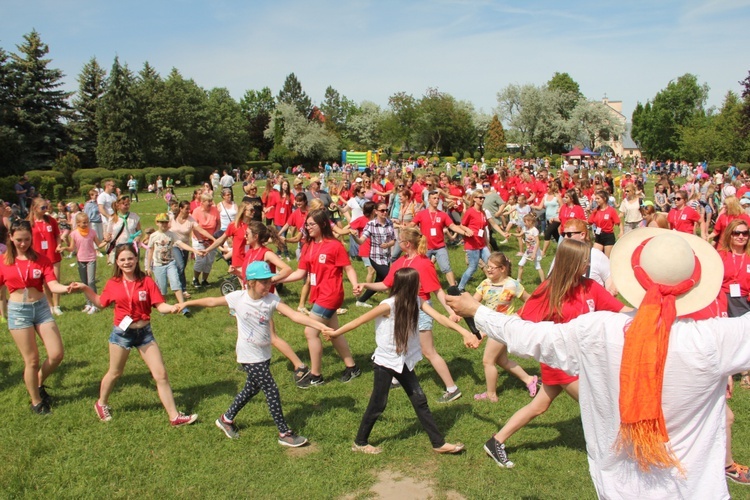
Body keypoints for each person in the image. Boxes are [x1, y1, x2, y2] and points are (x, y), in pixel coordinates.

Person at [446, 228, 748, 499]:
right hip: (694, 488)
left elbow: (529, 335)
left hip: (619, 484)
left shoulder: (597, 328)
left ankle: (497, 439)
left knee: (572, 405)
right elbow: (530, 321)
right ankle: (498, 439)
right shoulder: (715, 339)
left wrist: (478, 311)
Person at [480, 238, 627, 469]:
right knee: (602, 404)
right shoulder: (550, 290)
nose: (588, 264)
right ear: (571, 262)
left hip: (579, 362)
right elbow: (519, 320)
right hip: (558, 362)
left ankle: (495, 441)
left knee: (539, 406)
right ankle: (620, 454)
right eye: (584, 260)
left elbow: (621, 311)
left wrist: (648, 310)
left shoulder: (590, 286)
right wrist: (483, 332)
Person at [324, 267, 478, 455]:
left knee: (419, 399)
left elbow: (440, 318)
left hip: (403, 360)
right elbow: (359, 321)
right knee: (378, 403)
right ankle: (360, 442)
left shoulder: (417, 301)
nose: (421, 284)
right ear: (410, 285)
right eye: (418, 281)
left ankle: (438, 443)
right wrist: (335, 333)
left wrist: (465, 332)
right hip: (385, 362)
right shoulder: (388, 305)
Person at [174, 261, 320, 446]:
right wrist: (188, 302)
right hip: (248, 355)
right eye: (263, 282)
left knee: (252, 388)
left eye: (269, 281)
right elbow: (212, 301)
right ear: (250, 282)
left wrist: (320, 325)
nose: (268, 286)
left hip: (264, 354)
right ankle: (284, 433)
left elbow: (294, 315)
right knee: (271, 390)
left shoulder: (270, 300)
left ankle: (226, 419)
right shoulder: (238, 298)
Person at [71, 244, 197, 427]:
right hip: (122, 334)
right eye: (122, 259)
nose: (127, 262)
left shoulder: (146, 281)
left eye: (130, 258)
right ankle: (101, 403)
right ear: (117, 262)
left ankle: (174, 416)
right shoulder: (113, 283)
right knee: (115, 372)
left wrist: (172, 308)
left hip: (144, 334)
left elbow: (160, 305)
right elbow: (100, 302)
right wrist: (84, 288)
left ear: (136, 259)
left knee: (160, 374)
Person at [359, 227, 467, 403]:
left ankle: (452, 388)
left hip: (421, 309)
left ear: (407, 244)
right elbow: (386, 284)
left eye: (399, 241)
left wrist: (450, 312)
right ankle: (396, 378)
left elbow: (436, 290)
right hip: (402, 310)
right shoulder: (400, 262)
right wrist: (365, 285)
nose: (397, 243)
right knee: (401, 343)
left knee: (428, 351)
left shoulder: (424, 263)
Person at [281, 209, 362, 387]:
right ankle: (352, 367)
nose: (307, 228)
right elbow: (300, 272)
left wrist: (355, 285)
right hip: (318, 294)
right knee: (333, 333)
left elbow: (348, 268)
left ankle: (316, 376)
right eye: (306, 225)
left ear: (323, 224)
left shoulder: (334, 246)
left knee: (310, 332)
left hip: (330, 294)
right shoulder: (308, 246)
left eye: (311, 224)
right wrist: (275, 280)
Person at [0, 220, 71, 414]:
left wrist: (66, 288)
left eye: (27, 239)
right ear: (11, 238)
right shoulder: (3, 261)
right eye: (19, 240)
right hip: (18, 311)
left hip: (40, 308)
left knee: (56, 354)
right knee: (31, 360)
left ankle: (37, 381)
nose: (23, 244)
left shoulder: (41, 259)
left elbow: (52, 285)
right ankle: (36, 401)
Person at [472, 252, 536, 401]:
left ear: (502, 269)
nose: (488, 270)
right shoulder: (485, 283)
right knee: (501, 361)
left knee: (488, 361)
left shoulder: (512, 285)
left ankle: (491, 395)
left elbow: (530, 301)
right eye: (488, 267)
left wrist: (518, 316)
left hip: (503, 327)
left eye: (492, 268)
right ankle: (529, 379)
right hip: (490, 326)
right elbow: (473, 303)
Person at [410, 190, 473, 287]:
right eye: (434, 198)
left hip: (440, 246)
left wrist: (464, 233)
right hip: (425, 246)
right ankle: (418, 287)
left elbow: (452, 226)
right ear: (429, 200)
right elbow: (412, 225)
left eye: (438, 198)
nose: (436, 200)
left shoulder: (443, 214)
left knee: (446, 268)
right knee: (420, 268)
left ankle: (453, 287)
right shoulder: (422, 214)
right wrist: (417, 234)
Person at [145, 213, 201, 311]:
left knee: (176, 282)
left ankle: (183, 306)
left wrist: (194, 251)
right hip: (158, 265)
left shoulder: (172, 234)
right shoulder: (153, 236)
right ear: (157, 223)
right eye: (161, 222)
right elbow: (150, 251)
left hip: (170, 263)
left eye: (166, 222)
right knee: (162, 287)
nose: (164, 224)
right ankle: (163, 307)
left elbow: (181, 244)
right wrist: (148, 266)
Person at [59, 212, 107, 314]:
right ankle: (88, 303)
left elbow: (99, 245)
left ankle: (95, 304)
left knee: (91, 282)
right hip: (81, 260)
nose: (86, 224)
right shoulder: (74, 234)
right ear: (78, 223)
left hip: (91, 259)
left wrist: (106, 241)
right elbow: (72, 248)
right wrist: (64, 248)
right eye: (84, 223)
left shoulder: (92, 232)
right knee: (84, 283)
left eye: (87, 222)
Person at [352, 202, 395, 307]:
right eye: (382, 211)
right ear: (376, 211)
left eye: (386, 210)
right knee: (392, 279)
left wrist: (388, 244)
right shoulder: (371, 224)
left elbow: (394, 240)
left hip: (386, 258)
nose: (385, 213)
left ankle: (361, 301)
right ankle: (395, 303)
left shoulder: (389, 223)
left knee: (379, 281)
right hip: (375, 258)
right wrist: (354, 237)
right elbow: (361, 241)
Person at [27, 198, 64, 316]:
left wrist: (59, 244)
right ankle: (50, 305)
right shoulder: (29, 223)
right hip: (38, 257)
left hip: (53, 254)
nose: (46, 210)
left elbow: (57, 235)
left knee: (56, 280)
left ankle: (57, 305)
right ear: (34, 208)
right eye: (43, 208)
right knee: (44, 283)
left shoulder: (51, 220)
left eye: (46, 207)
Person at [458, 190, 492, 291]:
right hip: (472, 245)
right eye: (480, 197)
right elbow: (462, 225)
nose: (482, 199)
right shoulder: (470, 211)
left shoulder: (483, 212)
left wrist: (487, 243)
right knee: (473, 267)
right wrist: (467, 230)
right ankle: (460, 287)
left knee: (492, 263)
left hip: (482, 244)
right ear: (474, 199)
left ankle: (496, 283)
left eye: (483, 198)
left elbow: (484, 229)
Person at [190, 193, 220, 287]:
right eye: (209, 201)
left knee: (209, 261)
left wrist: (214, 237)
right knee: (201, 260)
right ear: (202, 202)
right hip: (198, 238)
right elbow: (195, 228)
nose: (211, 203)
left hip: (212, 239)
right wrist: (201, 240)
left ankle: (204, 280)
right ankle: (195, 279)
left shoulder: (215, 210)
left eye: (211, 201)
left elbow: (218, 223)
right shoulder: (196, 211)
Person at [590, 189, 620, 258]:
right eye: (595, 198)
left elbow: (618, 222)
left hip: (608, 236)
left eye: (598, 198)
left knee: (607, 258)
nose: (596, 200)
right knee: (595, 256)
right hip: (598, 235)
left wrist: (621, 231)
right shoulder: (595, 210)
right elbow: (590, 221)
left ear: (604, 199)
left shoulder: (611, 210)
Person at [516, 213, 545, 283]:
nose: (524, 223)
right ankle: (518, 281)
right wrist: (510, 234)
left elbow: (537, 242)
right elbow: (520, 234)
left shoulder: (534, 230)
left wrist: (534, 253)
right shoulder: (525, 228)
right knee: (520, 264)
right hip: (528, 250)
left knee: (538, 266)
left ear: (530, 222)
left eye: (525, 222)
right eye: (524, 222)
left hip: (535, 250)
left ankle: (543, 282)